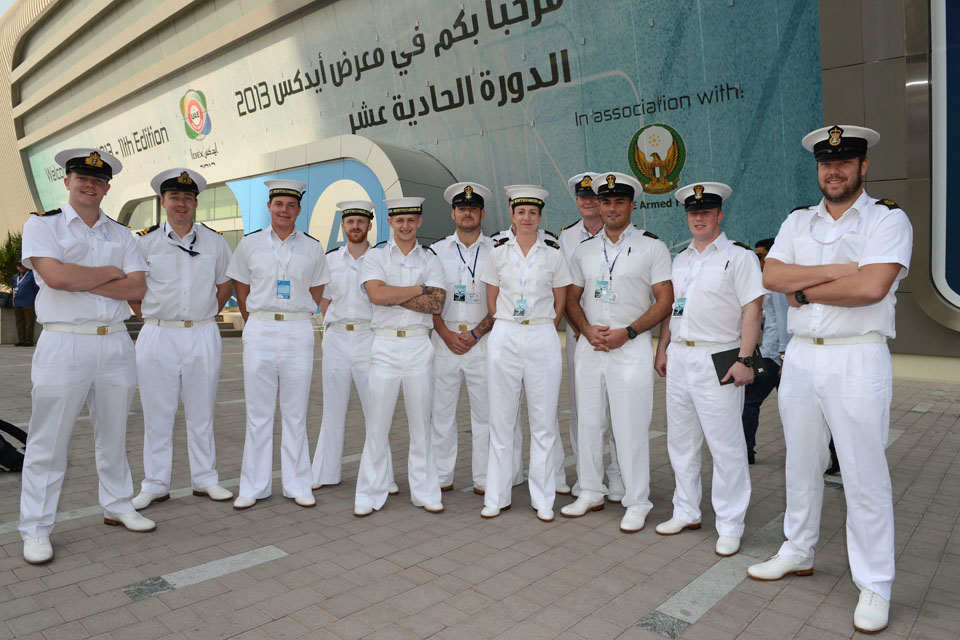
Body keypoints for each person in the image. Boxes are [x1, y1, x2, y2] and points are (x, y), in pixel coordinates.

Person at [747, 125, 912, 634]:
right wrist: (842, 272)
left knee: (864, 475)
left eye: (844, 162)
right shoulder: (798, 220)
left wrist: (810, 288)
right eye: (825, 163)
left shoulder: (888, 218)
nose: (833, 171)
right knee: (800, 463)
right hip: (801, 359)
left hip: (858, 358)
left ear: (863, 166)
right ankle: (797, 550)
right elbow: (772, 276)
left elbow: (872, 287)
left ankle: (875, 583)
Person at [19, 148, 155, 565]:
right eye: (81, 177)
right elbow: (56, 277)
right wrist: (111, 273)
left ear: (107, 187)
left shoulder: (122, 234)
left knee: (113, 434)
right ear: (68, 182)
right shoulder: (44, 225)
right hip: (64, 342)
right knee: (49, 441)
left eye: (97, 180)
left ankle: (118, 504)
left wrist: (81, 279)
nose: (89, 184)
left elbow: (137, 290)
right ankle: (37, 528)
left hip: (115, 341)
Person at [653, 181, 763, 558]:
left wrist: (746, 359)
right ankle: (686, 510)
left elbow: (753, 310)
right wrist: (663, 347)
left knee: (726, 445)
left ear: (719, 214)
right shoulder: (680, 260)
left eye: (705, 212)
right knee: (681, 440)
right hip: (682, 356)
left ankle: (730, 523)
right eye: (692, 212)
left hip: (720, 355)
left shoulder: (740, 257)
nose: (698, 218)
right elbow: (672, 310)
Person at [561, 173, 673, 533]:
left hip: (631, 347)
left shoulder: (651, 246)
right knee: (589, 423)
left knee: (630, 428)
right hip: (591, 347)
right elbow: (571, 300)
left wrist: (630, 332)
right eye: (606, 202)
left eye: (618, 202)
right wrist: (585, 329)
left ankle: (637, 500)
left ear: (631, 205)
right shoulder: (584, 250)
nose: (611, 208)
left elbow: (665, 300)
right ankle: (591, 491)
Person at [130, 168, 234, 511]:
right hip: (158, 333)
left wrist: (202, 315)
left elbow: (224, 287)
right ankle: (155, 484)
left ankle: (205, 479)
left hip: (202, 333)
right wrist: (148, 315)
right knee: (158, 413)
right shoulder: (144, 241)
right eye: (174, 197)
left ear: (195, 204)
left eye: (188, 198)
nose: (181, 204)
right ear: (163, 202)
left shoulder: (214, 241)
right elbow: (132, 288)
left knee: (201, 412)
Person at [227, 179, 330, 510]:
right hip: (260, 328)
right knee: (258, 412)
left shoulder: (313, 247)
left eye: (291, 205)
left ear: (299, 210)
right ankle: (253, 486)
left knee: (296, 412)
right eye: (278, 204)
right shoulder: (250, 244)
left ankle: (298, 483)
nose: (284, 210)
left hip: (298, 329)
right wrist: (256, 316)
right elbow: (241, 287)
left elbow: (316, 291)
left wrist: (293, 310)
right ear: (270, 207)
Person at [480, 185, 571, 522]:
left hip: (541, 334)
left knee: (543, 422)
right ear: (512, 215)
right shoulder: (498, 252)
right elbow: (491, 299)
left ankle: (543, 498)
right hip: (504, 334)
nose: (527, 218)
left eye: (533, 212)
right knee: (501, 420)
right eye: (521, 212)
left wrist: (542, 325)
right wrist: (508, 323)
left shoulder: (553, 253)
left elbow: (560, 301)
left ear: (540, 216)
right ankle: (496, 495)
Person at [354, 197, 446, 516]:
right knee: (377, 425)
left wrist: (394, 294)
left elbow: (436, 305)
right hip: (385, 346)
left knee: (422, 424)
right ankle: (370, 492)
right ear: (390, 223)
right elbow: (376, 295)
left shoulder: (431, 258)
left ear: (419, 222)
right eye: (399, 220)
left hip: (420, 345)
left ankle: (425, 491)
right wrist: (418, 289)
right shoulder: (375, 256)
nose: (405, 225)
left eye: (411, 220)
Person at [312, 201, 397, 494]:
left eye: (361, 221)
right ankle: (325, 472)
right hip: (336, 338)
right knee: (332, 408)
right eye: (350, 222)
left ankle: (383, 477)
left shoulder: (382, 259)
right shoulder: (330, 260)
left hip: (369, 337)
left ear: (370, 226)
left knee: (376, 409)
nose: (356, 227)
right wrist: (331, 325)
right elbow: (323, 298)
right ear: (343, 226)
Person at [558, 173, 623, 501]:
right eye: (581, 197)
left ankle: (618, 476)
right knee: (583, 408)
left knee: (618, 407)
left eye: (592, 196)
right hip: (579, 335)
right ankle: (588, 478)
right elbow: (563, 289)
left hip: (618, 334)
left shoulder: (623, 233)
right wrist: (580, 327)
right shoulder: (566, 237)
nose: (586, 201)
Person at [430, 182, 497, 494]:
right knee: (441, 412)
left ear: (482, 213)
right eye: (461, 208)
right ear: (453, 213)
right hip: (444, 340)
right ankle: (442, 476)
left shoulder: (497, 251)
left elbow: (503, 300)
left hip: (483, 339)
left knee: (484, 414)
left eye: (473, 208)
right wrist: (445, 333)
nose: (467, 213)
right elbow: (429, 298)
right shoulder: (437, 251)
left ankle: (483, 478)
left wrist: (474, 334)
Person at [741, 238, 791, 465]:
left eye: (761, 256)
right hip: (772, 353)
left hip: (777, 357)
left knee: (751, 402)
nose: (758, 260)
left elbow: (783, 321)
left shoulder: (778, 283)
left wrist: (783, 359)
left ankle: (746, 451)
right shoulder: (766, 282)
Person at [12, 262, 39, 346]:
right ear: (17, 267)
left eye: (23, 265)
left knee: (29, 322)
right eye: (20, 266)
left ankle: (29, 340)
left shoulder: (31, 276)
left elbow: (36, 288)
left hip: (29, 302)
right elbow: (14, 288)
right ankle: (21, 339)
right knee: (19, 322)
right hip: (17, 302)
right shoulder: (15, 277)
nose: (22, 267)